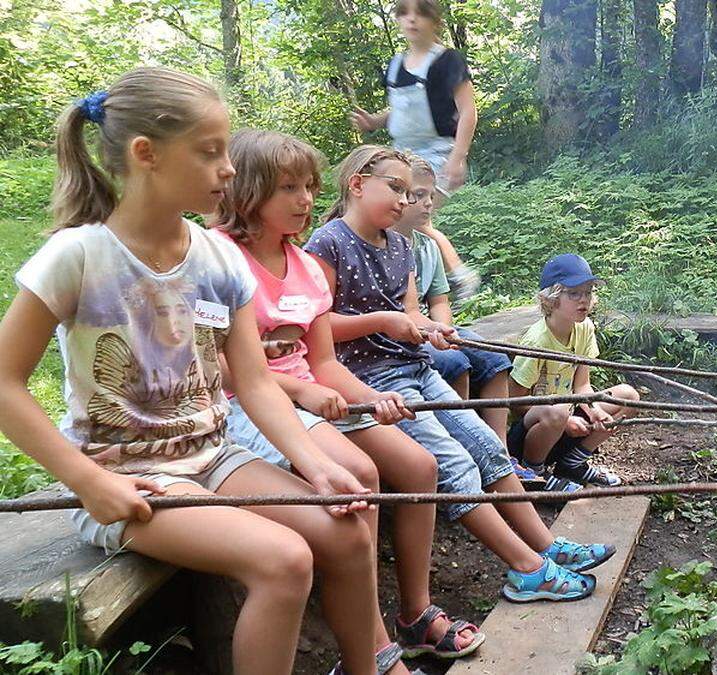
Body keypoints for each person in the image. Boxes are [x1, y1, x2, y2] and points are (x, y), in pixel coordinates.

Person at [0, 68, 393, 675]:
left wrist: (317, 463)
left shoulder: (215, 256)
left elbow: (255, 382)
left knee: (346, 534)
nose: (229, 168)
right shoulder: (78, 255)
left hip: (214, 456)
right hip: (129, 474)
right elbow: (5, 383)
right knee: (285, 560)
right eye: (209, 152)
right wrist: (89, 481)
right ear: (146, 155)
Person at [210, 129, 484, 659]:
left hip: (310, 395)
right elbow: (224, 369)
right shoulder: (222, 258)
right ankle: (372, 642)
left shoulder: (307, 268)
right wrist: (305, 395)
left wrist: (372, 401)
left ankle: (414, 611)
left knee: (421, 466)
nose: (305, 200)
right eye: (288, 188)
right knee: (363, 476)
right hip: (257, 401)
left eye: (309, 186)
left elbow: (324, 364)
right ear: (246, 191)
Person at [304, 145, 614, 602]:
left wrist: (432, 330)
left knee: (489, 446)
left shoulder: (401, 246)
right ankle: (527, 569)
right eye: (395, 188)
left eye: (409, 192)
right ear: (356, 184)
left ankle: (548, 546)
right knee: (452, 463)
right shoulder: (329, 243)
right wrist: (385, 322)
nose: (405, 201)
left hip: (415, 367)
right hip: (369, 380)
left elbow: (412, 313)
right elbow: (317, 327)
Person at [350, 0, 480, 301]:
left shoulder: (448, 61)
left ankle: (454, 278)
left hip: (439, 152)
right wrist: (373, 121)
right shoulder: (396, 64)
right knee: (399, 218)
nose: (412, 20)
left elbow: (468, 111)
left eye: (420, 13)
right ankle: (418, 286)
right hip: (400, 156)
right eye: (404, 13)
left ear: (434, 20)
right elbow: (399, 108)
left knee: (407, 214)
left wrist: (458, 158)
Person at [390, 152, 512, 450]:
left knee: (495, 358)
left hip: (428, 328)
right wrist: (430, 335)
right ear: (400, 197)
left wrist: (441, 329)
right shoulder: (383, 243)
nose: (429, 203)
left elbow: (439, 300)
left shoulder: (428, 246)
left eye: (431, 195)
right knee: (454, 362)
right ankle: (469, 445)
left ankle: (500, 447)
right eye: (419, 195)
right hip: (398, 334)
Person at [507, 255, 640, 490]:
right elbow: (516, 402)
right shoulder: (537, 340)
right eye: (574, 294)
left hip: (566, 417)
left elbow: (582, 386)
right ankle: (533, 475)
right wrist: (564, 419)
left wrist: (595, 411)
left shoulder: (585, 328)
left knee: (628, 396)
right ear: (552, 298)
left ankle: (572, 463)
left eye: (588, 293)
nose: (584, 300)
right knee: (556, 409)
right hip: (531, 432)